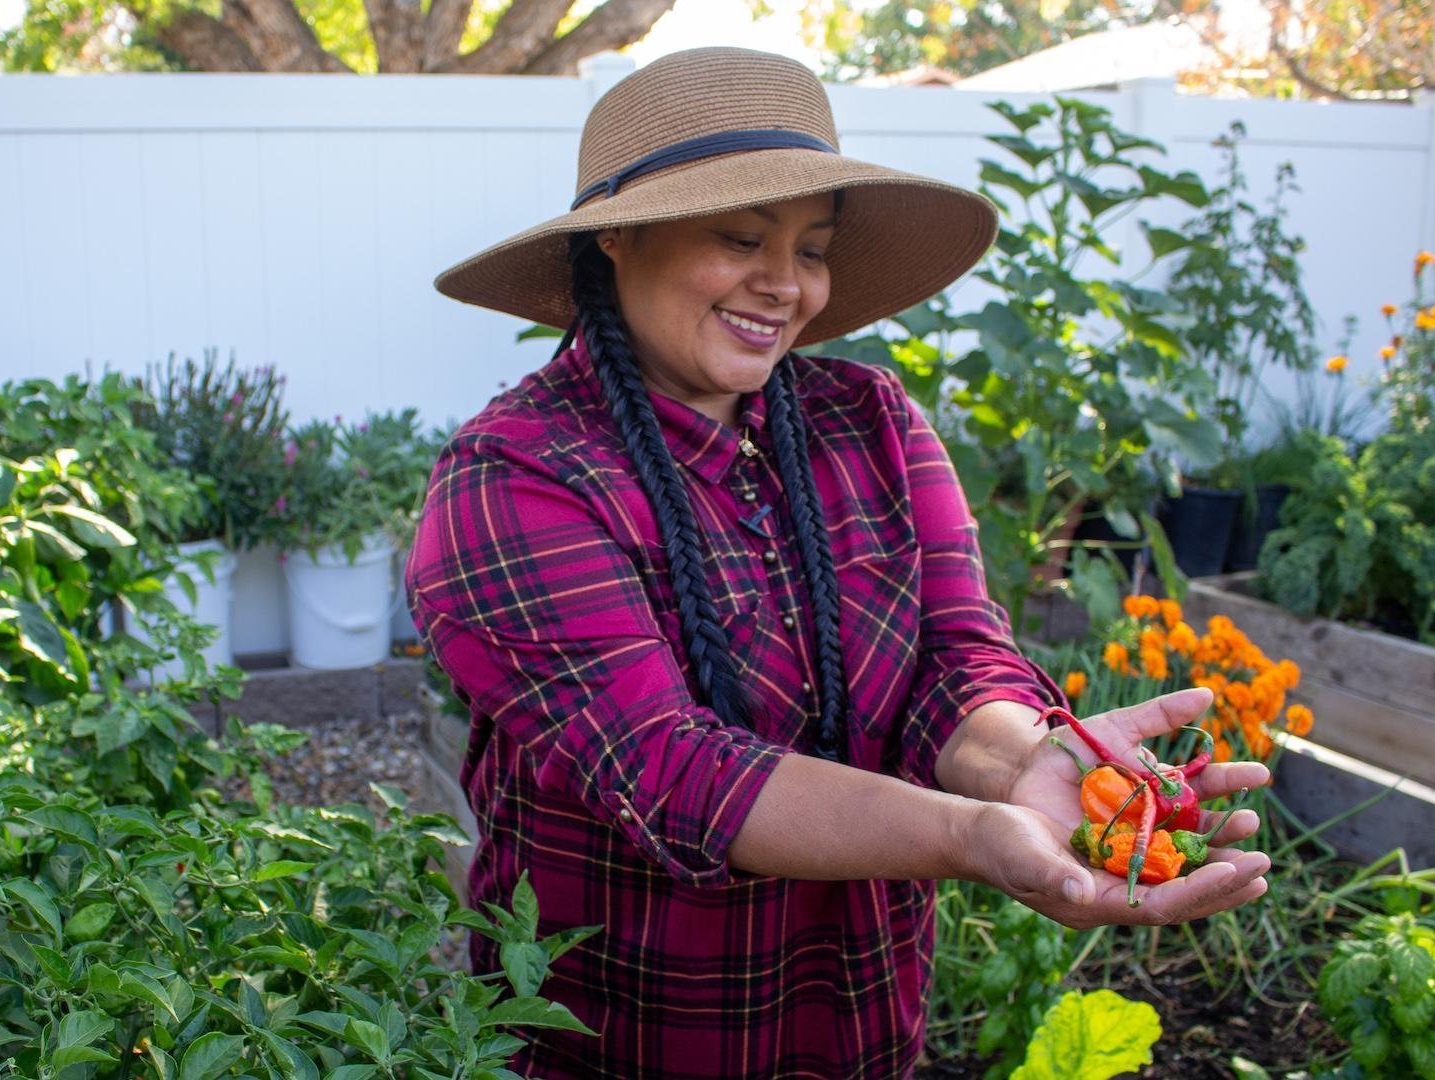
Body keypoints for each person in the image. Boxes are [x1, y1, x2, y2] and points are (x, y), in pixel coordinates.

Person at [406, 46, 1272, 1078]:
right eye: (741, 239)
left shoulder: (872, 425)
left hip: (856, 1020)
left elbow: (959, 659)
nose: (787, 286)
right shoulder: (517, 478)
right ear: (619, 242)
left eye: (812, 249)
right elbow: (674, 772)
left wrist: (1033, 763)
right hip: (623, 1033)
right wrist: (971, 837)